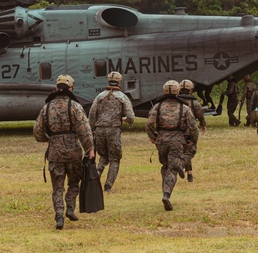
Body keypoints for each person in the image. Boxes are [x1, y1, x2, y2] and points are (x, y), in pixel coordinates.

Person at [33, 74, 95, 229]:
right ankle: (70, 208)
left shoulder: (46, 108)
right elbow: (84, 130)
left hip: (55, 153)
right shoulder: (75, 106)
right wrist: (90, 148)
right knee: (74, 182)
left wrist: (49, 139)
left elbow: (37, 131)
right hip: (73, 153)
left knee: (57, 187)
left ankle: (59, 215)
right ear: (71, 88)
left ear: (56, 88)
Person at [146, 80, 199, 211]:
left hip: (161, 142)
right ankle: (167, 194)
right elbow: (193, 127)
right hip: (177, 141)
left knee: (165, 167)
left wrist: (153, 137)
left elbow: (148, 124)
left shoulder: (157, 106)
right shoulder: (184, 108)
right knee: (172, 169)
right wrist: (193, 140)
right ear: (178, 90)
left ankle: (166, 188)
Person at [88, 71, 135, 193]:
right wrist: (127, 121)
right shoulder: (122, 97)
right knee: (114, 159)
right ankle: (108, 186)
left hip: (99, 130)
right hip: (113, 130)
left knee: (103, 156)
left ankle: (98, 173)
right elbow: (130, 115)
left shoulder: (99, 96)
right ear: (119, 81)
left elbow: (92, 114)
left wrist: (92, 128)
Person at [178, 79, 207, 182]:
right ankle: (181, 166)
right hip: (190, 132)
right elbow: (201, 115)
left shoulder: (175, 102)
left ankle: (189, 173)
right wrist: (203, 125)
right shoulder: (194, 103)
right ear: (191, 90)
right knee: (190, 151)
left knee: (182, 152)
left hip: (177, 132)